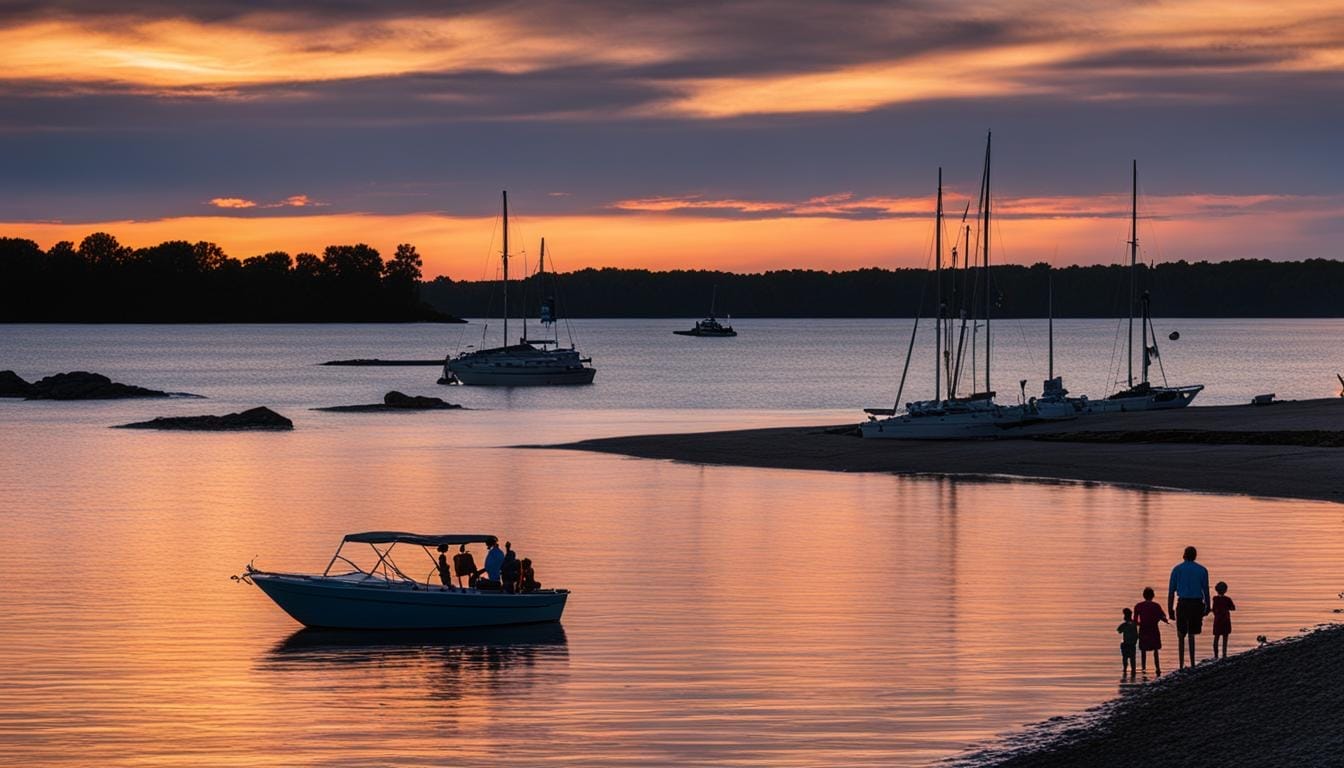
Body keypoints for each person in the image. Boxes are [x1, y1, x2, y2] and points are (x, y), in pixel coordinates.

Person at [1168, 545, 1211, 669]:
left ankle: (1181, 664)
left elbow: (1171, 591)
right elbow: (1206, 590)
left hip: (1183, 603)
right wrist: (1208, 606)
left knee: (1181, 635)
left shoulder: (1177, 569)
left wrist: (1170, 609)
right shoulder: (1202, 570)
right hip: (1196, 603)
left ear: (1184, 555)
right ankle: (1192, 663)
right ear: (1195, 556)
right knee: (1192, 634)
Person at [1134, 586, 1168, 675]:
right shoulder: (1156, 606)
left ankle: (1143, 669)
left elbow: (1135, 621)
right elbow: (1163, 616)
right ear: (1153, 596)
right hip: (1154, 629)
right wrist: (1165, 620)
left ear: (1143, 595)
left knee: (1143, 650)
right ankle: (1157, 668)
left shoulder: (1138, 606)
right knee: (1155, 650)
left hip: (1143, 629)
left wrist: (1140, 624)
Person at [1211, 581, 1236, 659]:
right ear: (1225, 590)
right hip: (1226, 620)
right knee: (1225, 638)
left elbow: (1214, 609)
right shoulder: (1228, 599)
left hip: (1217, 620)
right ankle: (1224, 654)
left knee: (1216, 638)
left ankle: (1216, 656)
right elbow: (1233, 608)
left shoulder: (1215, 599)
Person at [1117, 607, 1139, 677]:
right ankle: (1133, 672)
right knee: (1132, 659)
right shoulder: (1134, 624)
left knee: (1125, 658)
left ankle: (1125, 671)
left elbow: (1119, 631)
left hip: (1126, 643)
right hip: (1132, 644)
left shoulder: (1125, 625)